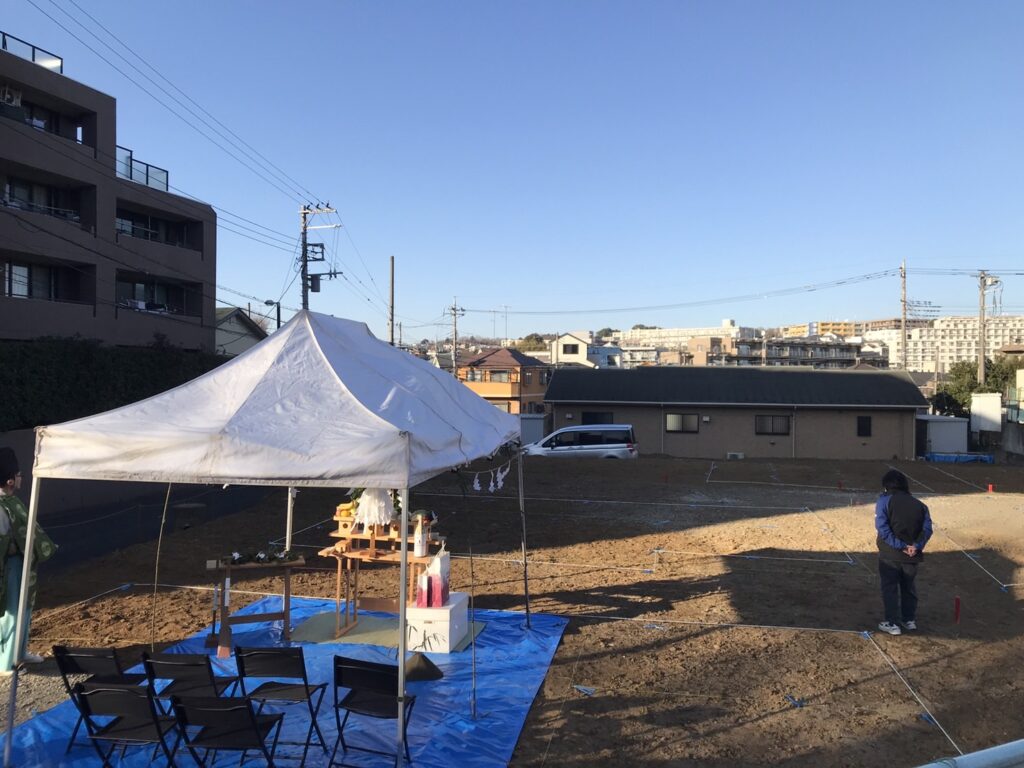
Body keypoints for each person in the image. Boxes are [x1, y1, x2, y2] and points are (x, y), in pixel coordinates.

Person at [0, 447, 57, 674]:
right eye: (19, 473)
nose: (22, 476)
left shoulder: (12, 502)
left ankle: (20, 651)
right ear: (10, 480)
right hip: (10, 565)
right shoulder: (2, 506)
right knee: (12, 611)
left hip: (22, 563)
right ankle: (6, 661)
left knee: (25, 608)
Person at [875, 469, 932, 636]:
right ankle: (909, 619)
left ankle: (892, 623)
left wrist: (900, 546)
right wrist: (916, 546)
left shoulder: (884, 501)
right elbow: (927, 529)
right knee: (908, 587)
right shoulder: (920, 505)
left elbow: (883, 528)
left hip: (890, 554)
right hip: (912, 555)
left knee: (890, 588)